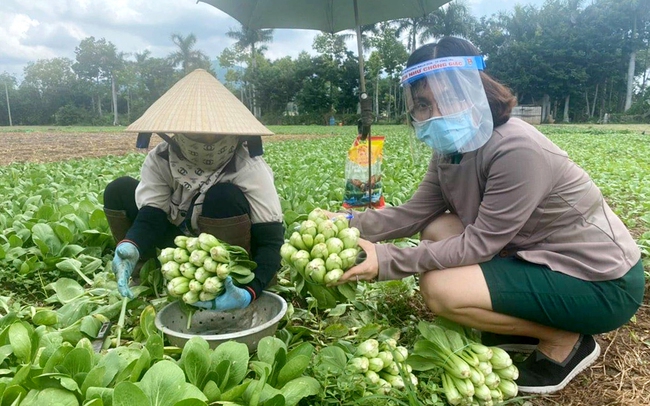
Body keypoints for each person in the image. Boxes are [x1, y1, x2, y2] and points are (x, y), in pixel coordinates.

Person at [330, 37, 644, 394]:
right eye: (422, 103)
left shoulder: (516, 149)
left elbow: (480, 243)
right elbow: (415, 213)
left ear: (477, 90)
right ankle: (519, 323)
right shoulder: (452, 150)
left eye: (449, 97)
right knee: (438, 226)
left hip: (600, 280)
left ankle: (565, 340)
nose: (435, 113)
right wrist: (348, 225)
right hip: (539, 258)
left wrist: (385, 260)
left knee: (440, 289)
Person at [103, 69, 284, 312]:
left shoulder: (250, 169)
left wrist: (252, 289)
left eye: (218, 137)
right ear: (176, 135)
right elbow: (152, 215)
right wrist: (132, 243)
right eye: (197, 136)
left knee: (223, 195)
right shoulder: (160, 160)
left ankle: (227, 282)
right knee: (120, 189)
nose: (209, 146)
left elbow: (271, 242)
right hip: (179, 243)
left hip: (228, 250)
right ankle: (140, 266)